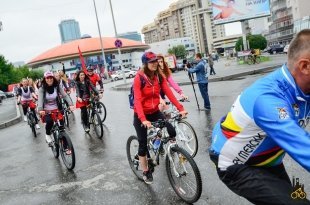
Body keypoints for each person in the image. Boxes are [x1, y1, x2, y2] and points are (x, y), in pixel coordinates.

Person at [209, 29, 310, 204]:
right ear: (305, 66)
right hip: (237, 165)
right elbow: (303, 147)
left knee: (298, 196)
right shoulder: (268, 100)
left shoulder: (303, 87)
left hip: (268, 161)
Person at [133, 51, 188, 184]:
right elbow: (137, 100)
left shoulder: (158, 76)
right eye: (151, 62)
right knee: (142, 144)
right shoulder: (139, 77)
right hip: (141, 115)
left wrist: (181, 108)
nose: (154, 63)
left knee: (171, 130)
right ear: (145, 64)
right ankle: (146, 171)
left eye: (155, 61)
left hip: (155, 111)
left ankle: (168, 150)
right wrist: (143, 119)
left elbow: (169, 92)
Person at [38, 71, 74, 145]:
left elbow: (65, 95)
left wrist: (70, 104)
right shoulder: (42, 89)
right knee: (50, 122)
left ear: (53, 78)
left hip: (57, 108)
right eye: (47, 78)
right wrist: (41, 109)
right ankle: (47, 135)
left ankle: (66, 146)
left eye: (51, 77)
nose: (49, 79)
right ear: (45, 79)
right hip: (46, 110)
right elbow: (40, 100)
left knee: (62, 128)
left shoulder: (57, 86)